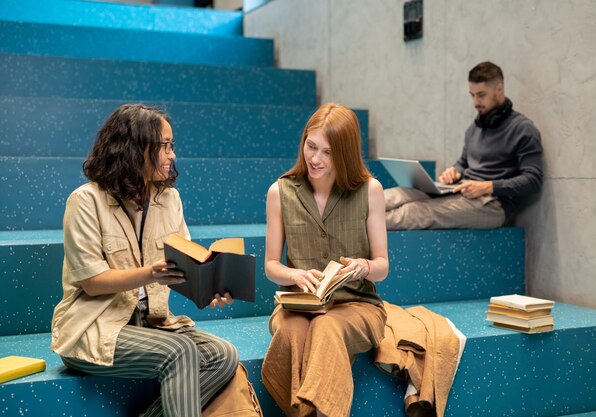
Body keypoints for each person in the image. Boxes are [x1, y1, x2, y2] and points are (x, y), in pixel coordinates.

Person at [50, 104, 240, 417]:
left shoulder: (169, 199)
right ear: (134, 150)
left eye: (172, 146)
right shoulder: (85, 201)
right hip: (94, 328)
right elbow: (92, 283)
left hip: (151, 324)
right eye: (164, 146)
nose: (172, 155)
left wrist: (212, 286)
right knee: (179, 353)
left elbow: (184, 265)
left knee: (223, 355)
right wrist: (150, 273)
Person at [261, 103, 389, 417]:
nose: (315, 159)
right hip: (298, 304)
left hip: (357, 306)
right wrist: (295, 276)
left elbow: (383, 266)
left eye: (328, 152)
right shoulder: (280, 192)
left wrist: (365, 266)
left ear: (345, 153)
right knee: (293, 333)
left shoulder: (370, 190)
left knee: (326, 327)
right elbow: (270, 267)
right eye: (311, 146)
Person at [385, 61, 543, 230]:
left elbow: (533, 180)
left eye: (481, 95)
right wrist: (454, 172)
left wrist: (488, 186)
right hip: (460, 191)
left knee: (414, 212)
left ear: (499, 88)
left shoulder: (523, 129)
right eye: (472, 95)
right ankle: (358, 221)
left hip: (493, 204)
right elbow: (463, 163)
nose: (475, 102)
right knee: (391, 196)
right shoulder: (475, 128)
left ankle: (361, 228)